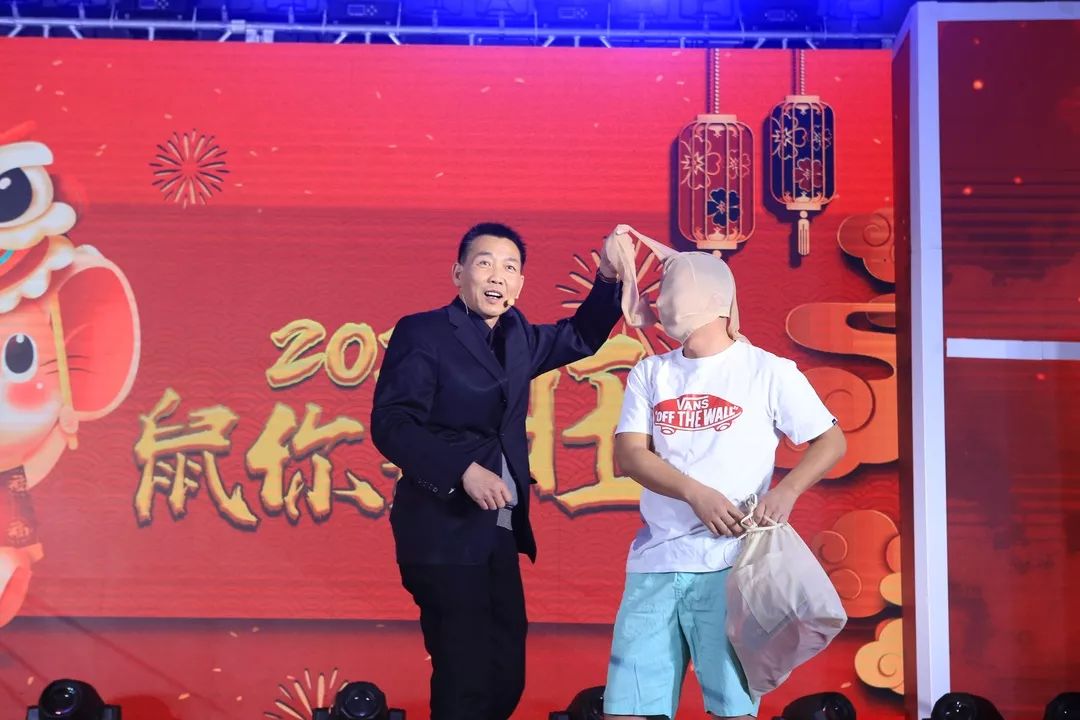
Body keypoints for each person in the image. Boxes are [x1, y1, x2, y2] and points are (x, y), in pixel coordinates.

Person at [371, 222, 623, 720]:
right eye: (484, 263)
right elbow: (392, 423)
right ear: (458, 273)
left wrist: (609, 278)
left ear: (520, 284)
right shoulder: (424, 332)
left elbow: (580, 336)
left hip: (499, 529)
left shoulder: (517, 337)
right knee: (465, 674)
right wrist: (461, 470)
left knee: (505, 674)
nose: (497, 276)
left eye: (510, 267)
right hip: (441, 530)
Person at [600, 232, 846, 720]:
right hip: (655, 562)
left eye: (675, 288)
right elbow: (629, 455)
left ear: (715, 297)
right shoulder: (652, 373)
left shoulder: (767, 370)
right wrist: (695, 493)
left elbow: (831, 440)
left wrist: (788, 491)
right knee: (627, 710)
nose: (663, 299)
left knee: (731, 711)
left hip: (732, 566)